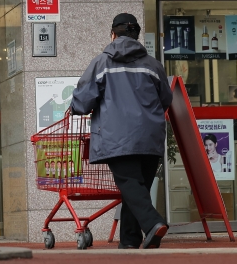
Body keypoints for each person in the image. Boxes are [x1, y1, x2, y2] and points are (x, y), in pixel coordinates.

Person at [71, 13, 173, 249]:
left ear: (112, 35)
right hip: (150, 138)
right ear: (136, 36)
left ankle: (153, 223)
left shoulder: (101, 63)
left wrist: (74, 107)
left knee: (130, 185)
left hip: (117, 137)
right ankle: (130, 241)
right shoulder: (153, 65)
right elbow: (166, 99)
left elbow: (83, 102)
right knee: (137, 189)